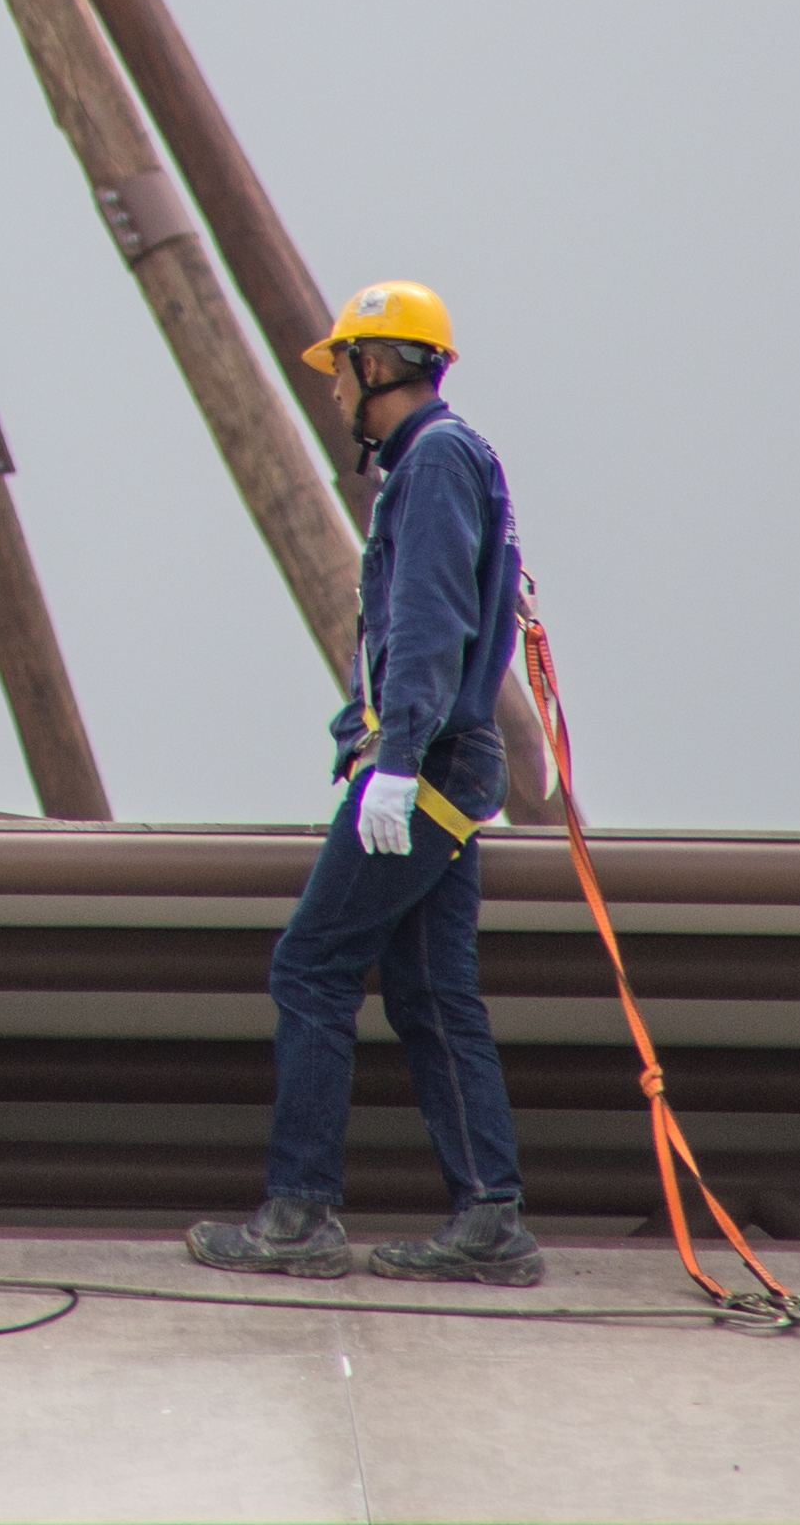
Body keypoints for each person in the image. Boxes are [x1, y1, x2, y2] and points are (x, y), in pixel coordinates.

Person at [186, 280, 543, 1285]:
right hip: (445, 760)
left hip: (425, 764)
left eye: (341, 365)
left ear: (377, 364)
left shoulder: (433, 463)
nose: (334, 385)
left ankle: (300, 1215)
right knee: (432, 990)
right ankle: (490, 1219)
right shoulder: (443, 462)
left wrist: (389, 765)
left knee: (312, 969)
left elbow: (427, 624)